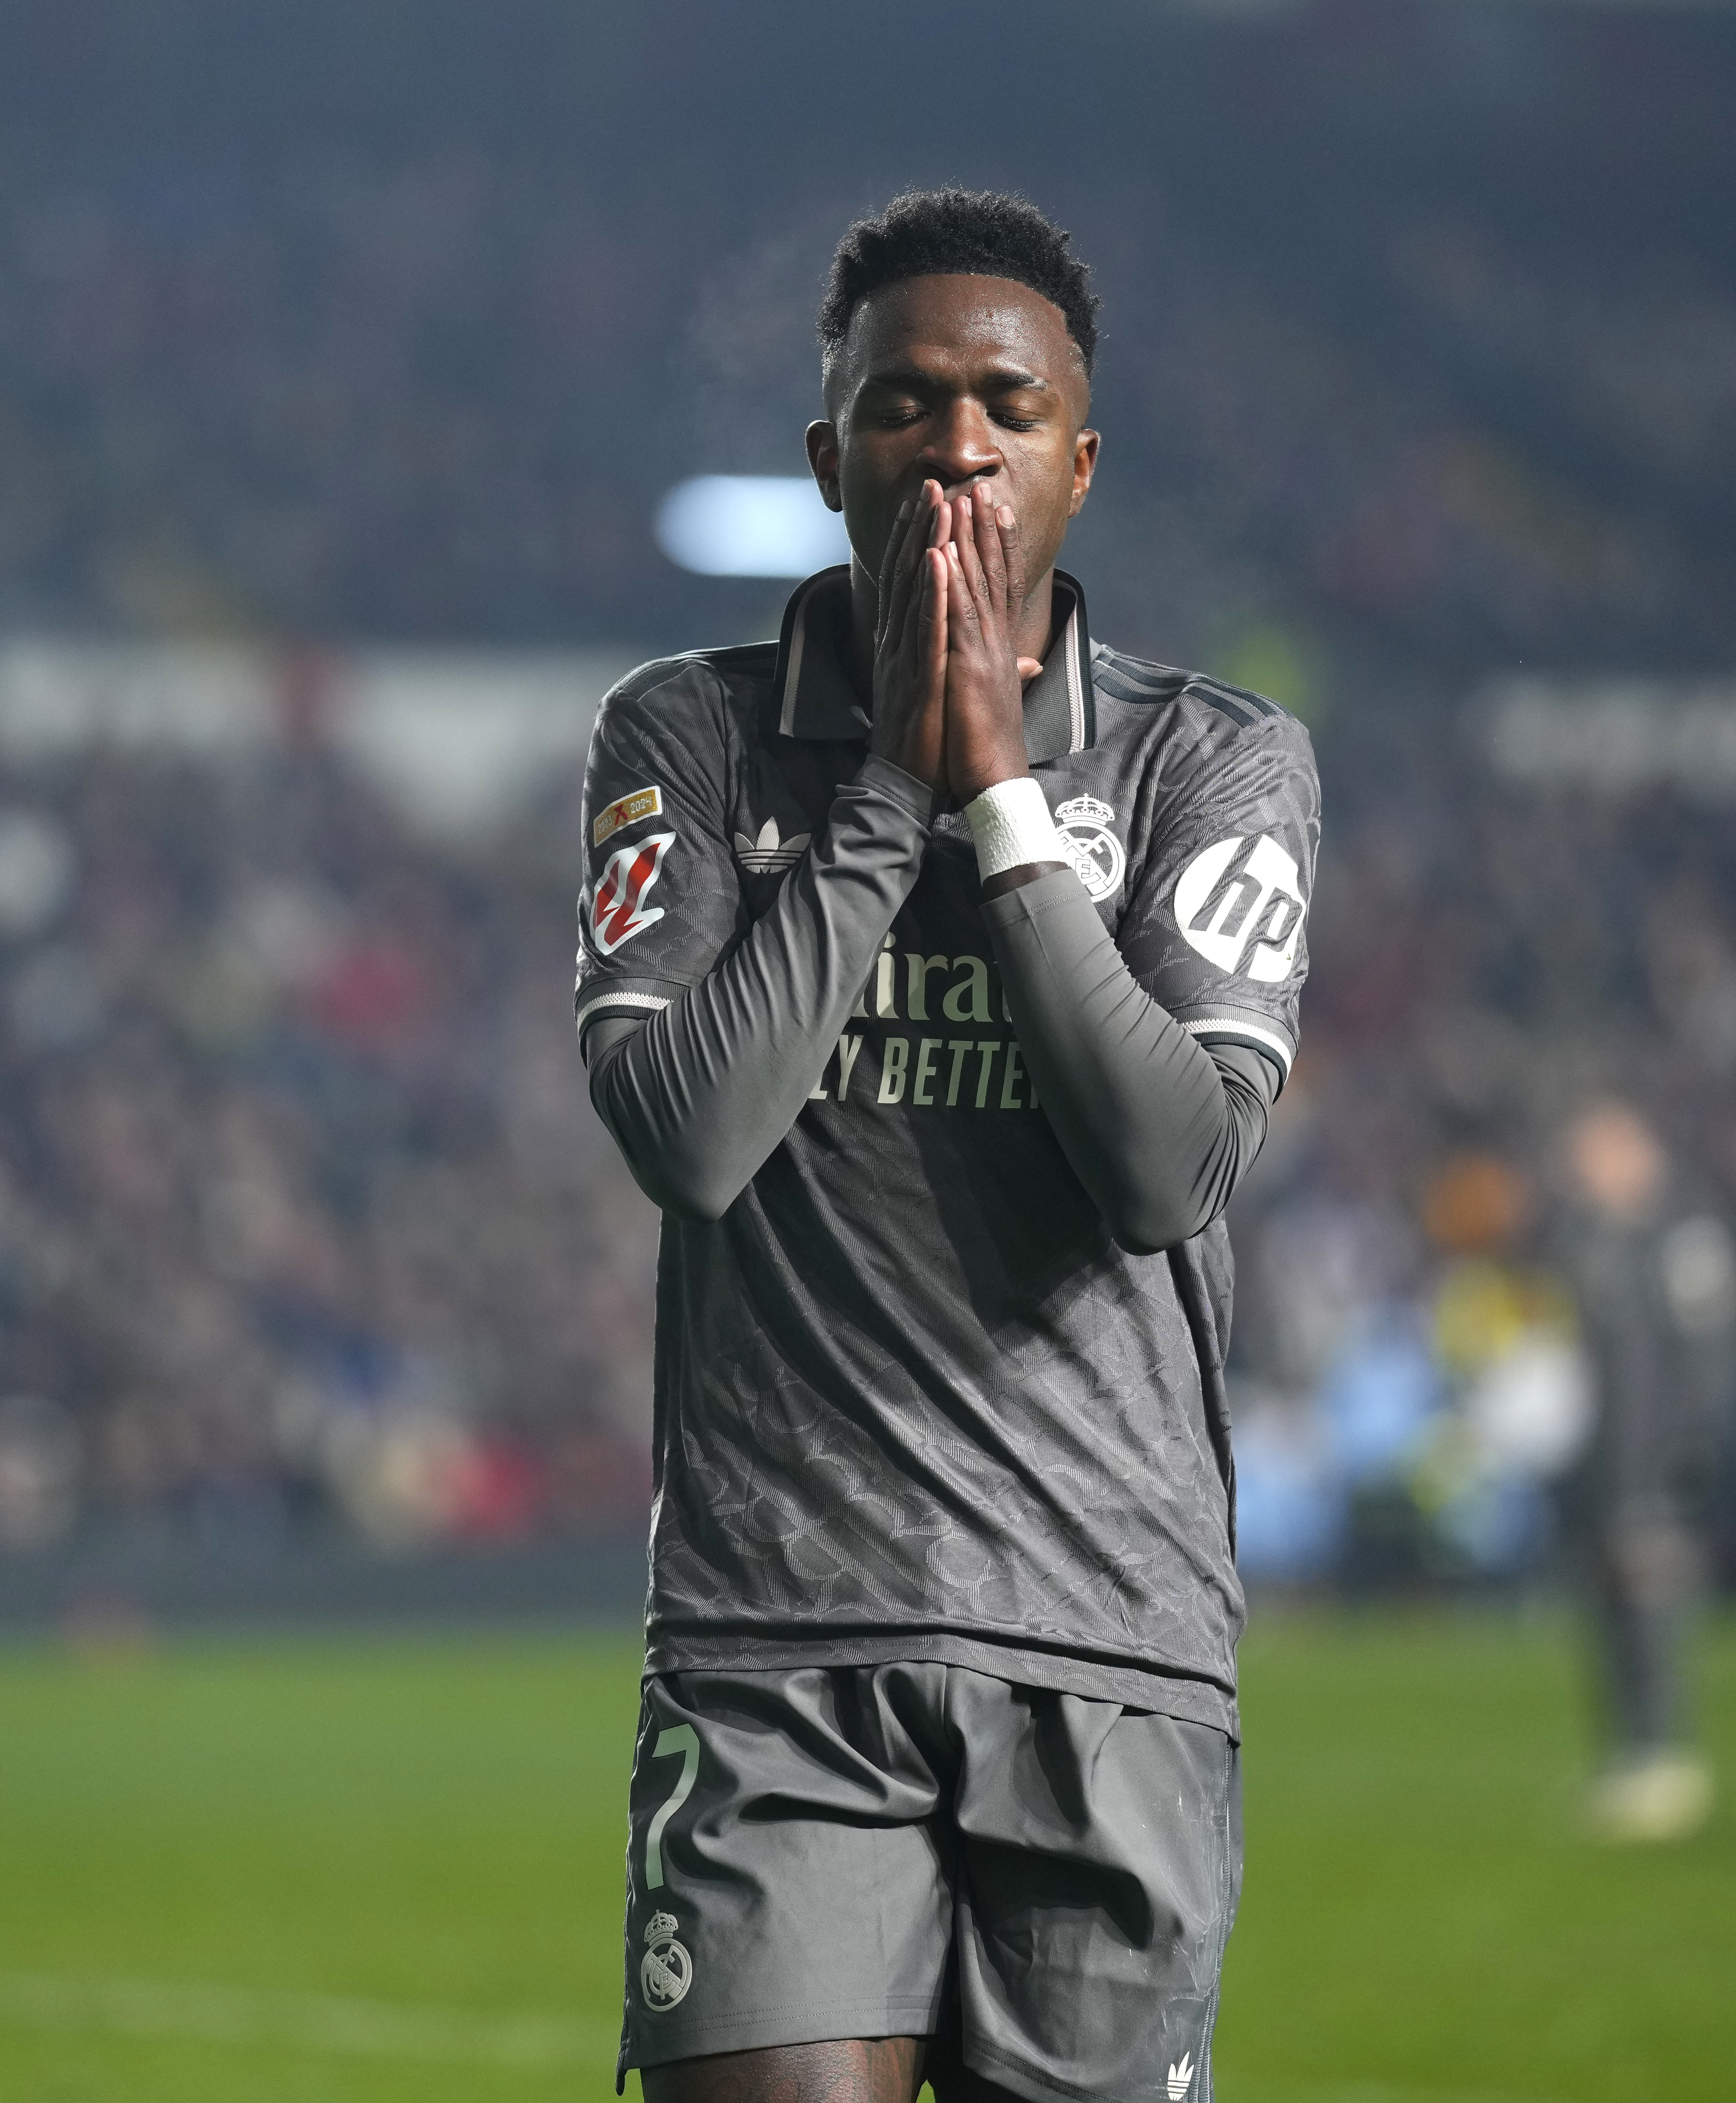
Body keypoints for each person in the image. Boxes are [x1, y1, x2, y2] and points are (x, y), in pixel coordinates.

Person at [574, 190, 1315, 2103]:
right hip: (775, 1639)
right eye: (902, 406)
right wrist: (898, 779)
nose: (955, 444)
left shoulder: (1209, 763)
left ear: (1079, 458)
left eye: (1002, 402)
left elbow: (1165, 1171)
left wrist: (998, 792)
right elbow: (686, 1136)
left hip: (1105, 1634)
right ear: (830, 458)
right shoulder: (693, 738)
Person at [1548, 1098, 1736, 1844]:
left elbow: (1713, 1357)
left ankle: (1668, 1762)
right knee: (1607, 1605)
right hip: (1602, 1458)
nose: (1582, 1173)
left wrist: (1681, 1461)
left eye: (1595, 1155)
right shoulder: (1592, 1239)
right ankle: (1629, 1757)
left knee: (1653, 1603)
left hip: (1659, 1462)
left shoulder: (1684, 1234)